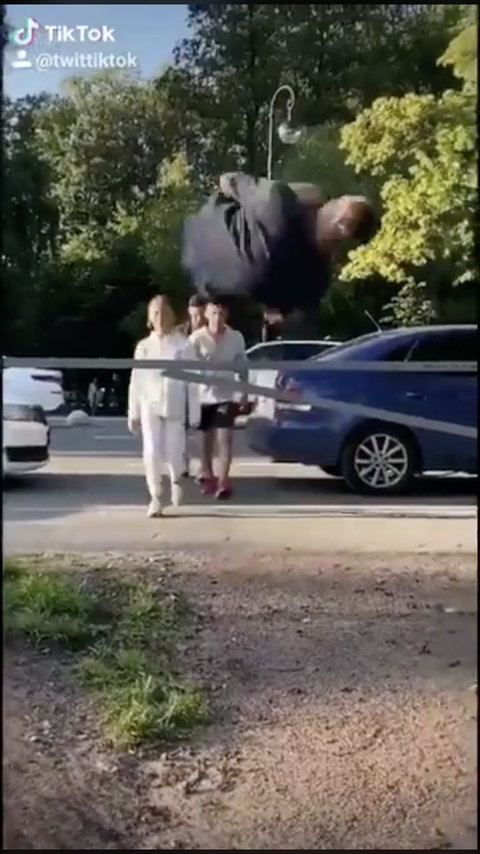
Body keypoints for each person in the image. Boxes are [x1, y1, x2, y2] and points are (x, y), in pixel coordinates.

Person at [127, 294, 200, 518]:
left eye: (163, 313)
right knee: (152, 451)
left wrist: (194, 413)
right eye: (155, 313)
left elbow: (193, 382)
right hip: (150, 405)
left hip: (175, 406)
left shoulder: (183, 346)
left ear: (171, 316)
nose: (160, 318)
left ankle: (176, 478)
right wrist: (133, 413)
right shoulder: (144, 347)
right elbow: (136, 381)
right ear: (150, 318)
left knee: (174, 451)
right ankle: (156, 496)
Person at [189, 298, 248, 500]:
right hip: (203, 395)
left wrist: (244, 390)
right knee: (206, 438)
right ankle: (207, 474)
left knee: (225, 438)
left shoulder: (235, 337)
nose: (217, 318)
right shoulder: (197, 338)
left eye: (221, 314)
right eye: (213, 313)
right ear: (206, 314)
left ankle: (224, 481)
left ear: (226, 315)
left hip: (226, 394)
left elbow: (242, 366)